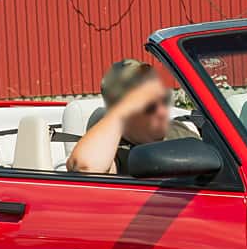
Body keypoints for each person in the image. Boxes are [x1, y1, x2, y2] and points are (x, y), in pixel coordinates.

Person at [67, 59, 197, 175]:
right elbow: (86, 167)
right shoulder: (117, 153)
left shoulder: (178, 130)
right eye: (150, 106)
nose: (162, 111)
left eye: (162, 99)